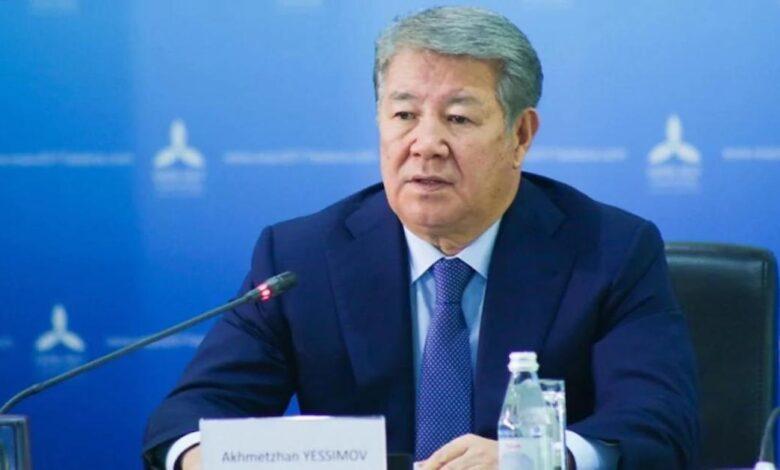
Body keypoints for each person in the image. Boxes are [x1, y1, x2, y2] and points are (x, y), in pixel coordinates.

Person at [143, 6, 699, 469]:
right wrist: (200, 458)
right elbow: (190, 417)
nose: (425, 144)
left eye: (458, 119)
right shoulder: (301, 258)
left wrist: (537, 459)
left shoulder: (610, 252)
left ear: (520, 135)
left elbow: (656, 424)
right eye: (404, 114)